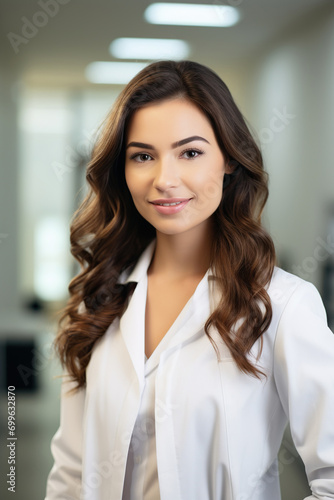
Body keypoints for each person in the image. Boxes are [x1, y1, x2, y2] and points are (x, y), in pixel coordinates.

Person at [45, 60, 334, 500]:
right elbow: (69, 473)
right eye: (143, 156)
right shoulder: (98, 301)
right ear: (122, 171)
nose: (165, 179)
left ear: (231, 161)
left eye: (191, 153)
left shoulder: (284, 304)